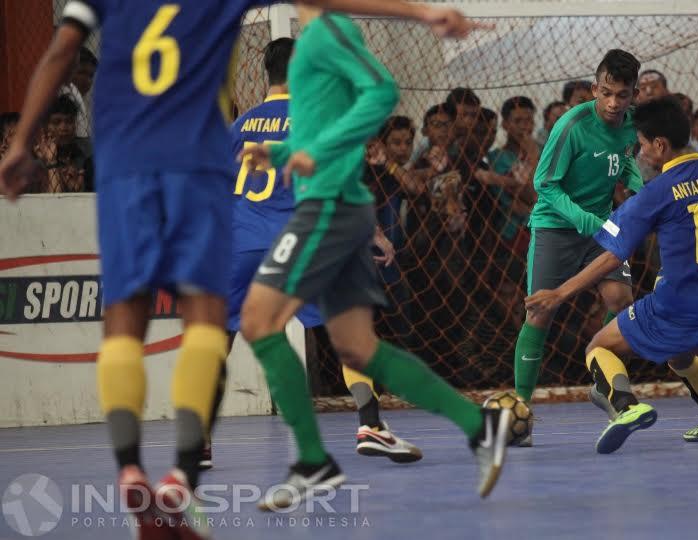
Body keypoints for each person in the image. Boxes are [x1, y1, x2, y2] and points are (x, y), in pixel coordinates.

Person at [0, 0, 487, 537]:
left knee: (200, 330)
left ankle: (186, 448)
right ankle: (369, 424)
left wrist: (22, 143)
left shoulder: (242, 124)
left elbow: (64, 53)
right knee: (347, 331)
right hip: (291, 237)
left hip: (213, 223)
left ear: (266, 72)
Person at [238, 4, 510, 507]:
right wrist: (280, 153)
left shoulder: (326, 34)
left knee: (258, 321)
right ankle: (479, 425)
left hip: (328, 212)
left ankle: (313, 460)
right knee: (358, 348)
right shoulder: (317, 39)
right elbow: (321, 128)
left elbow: (381, 94)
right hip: (337, 209)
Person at [526, 97, 698, 454]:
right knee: (680, 357)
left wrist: (559, 293)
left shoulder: (656, 193)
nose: (641, 152)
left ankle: (626, 407)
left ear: (660, 145)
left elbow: (611, 256)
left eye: (643, 144)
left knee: (598, 347)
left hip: (678, 303)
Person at [225, 38, 421, 471]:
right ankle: (371, 425)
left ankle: (197, 444)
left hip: (240, 244)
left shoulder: (239, 126)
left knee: (219, 337)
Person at [512, 49, 645, 446]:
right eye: (606, 93)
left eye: (622, 95)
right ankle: (521, 412)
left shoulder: (632, 124)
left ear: (634, 94)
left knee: (621, 301)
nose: (613, 103)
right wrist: (587, 221)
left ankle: (604, 383)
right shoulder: (571, 125)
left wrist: (638, 187)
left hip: (601, 225)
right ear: (594, 88)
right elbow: (544, 184)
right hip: (555, 226)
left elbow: (624, 160)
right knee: (540, 312)